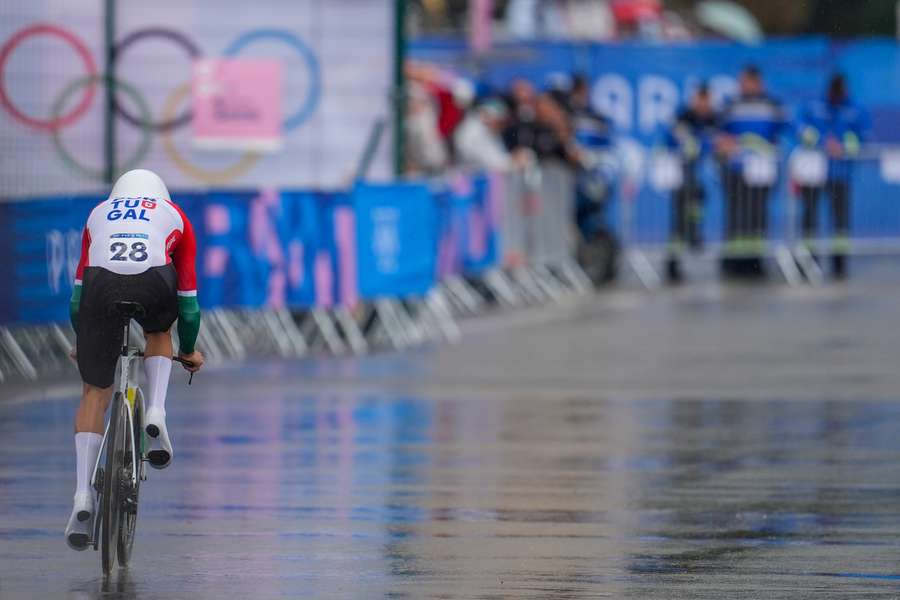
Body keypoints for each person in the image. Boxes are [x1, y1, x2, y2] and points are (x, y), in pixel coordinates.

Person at [65, 169, 204, 550]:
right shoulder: (174, 215)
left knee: (94, 391)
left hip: (100, 286)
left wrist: (85, 339)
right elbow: (188, 306)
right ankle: (156, 412)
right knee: (158, 332)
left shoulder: (98, 214)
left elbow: (77, 299)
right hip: (152, 282)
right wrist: (188, 348)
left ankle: (82, 495)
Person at [716, 65, 788, 276]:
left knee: (757, 214)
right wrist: (724, 143)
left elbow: (786, 131)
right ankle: (734, 261)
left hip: (762, 170)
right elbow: (719, 132)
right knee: (736, 214)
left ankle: (755, 260)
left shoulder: (773, 105)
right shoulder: (731, 105)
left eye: (745, 81)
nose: (741, 85)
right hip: (736, 170)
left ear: (757, 82)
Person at [795, 73, 868, 278]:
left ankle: (839, 264)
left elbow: (862, 137)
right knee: (809, 216)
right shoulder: (815, 105)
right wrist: (819, 141)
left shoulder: (854, 109)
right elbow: (799, 126)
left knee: (840, 220)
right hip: (814, 173)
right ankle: (808, 263)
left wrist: (843, 146)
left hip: (840, 173)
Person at [664, 84, 718, 282]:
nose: (703, 105)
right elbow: (670, 137)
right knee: (677, 222)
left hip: (701, 177)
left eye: (706, 100)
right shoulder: (683, 117)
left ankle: (694, 231)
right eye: (700, 100)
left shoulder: (714, 118)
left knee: (698, 198)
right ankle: (672, 264)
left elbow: (718, 141)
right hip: (681, 176)